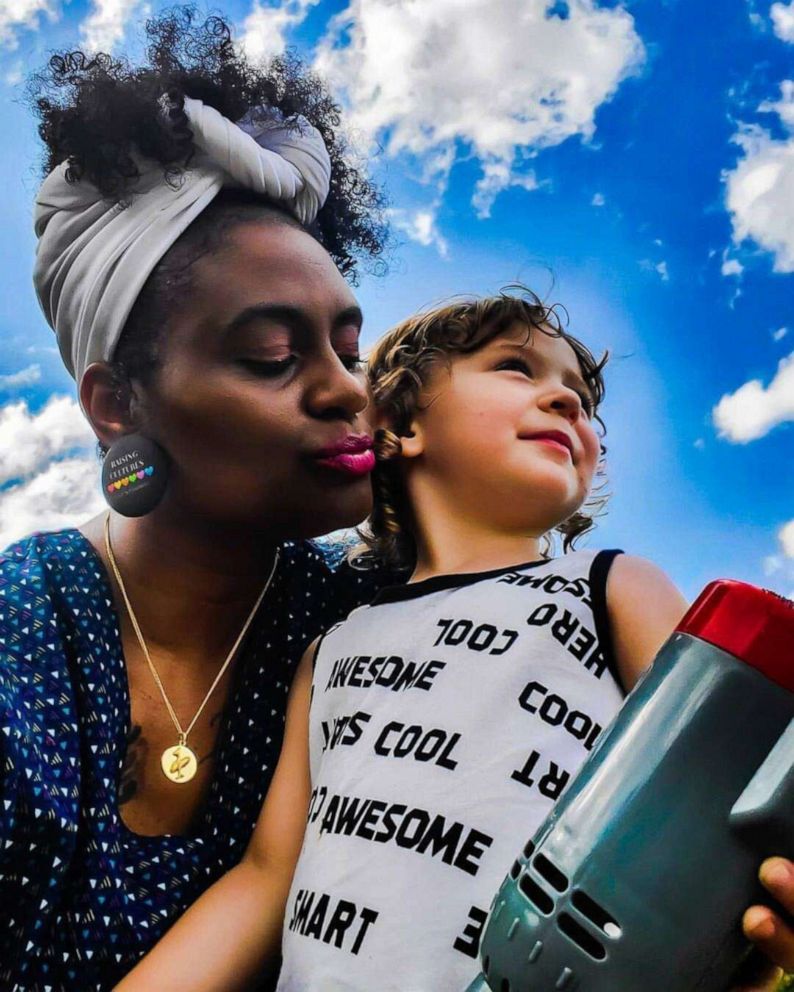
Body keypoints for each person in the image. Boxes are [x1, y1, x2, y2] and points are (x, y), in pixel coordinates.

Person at [116, 290, 794, 991]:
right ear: (400, 424)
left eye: (582, 401)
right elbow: (265, 878)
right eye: (516, 368)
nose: (568, 404)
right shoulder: (330, 649)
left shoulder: (610, 586)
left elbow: (720, 789)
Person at [0, 9, 396, 990]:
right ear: (116, 404)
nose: (350, 389)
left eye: (350, 349)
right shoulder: (18, 636)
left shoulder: (367, 634)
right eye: (270, 355)